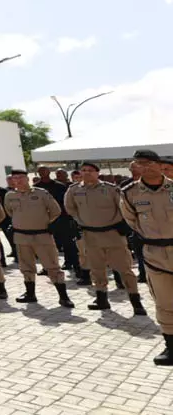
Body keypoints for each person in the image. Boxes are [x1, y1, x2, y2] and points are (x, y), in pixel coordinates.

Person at [65, 162, 145, 315]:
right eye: (83, 170)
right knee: (97, 270)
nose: (86, 173)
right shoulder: (74, 190)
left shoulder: (110, 189)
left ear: (97, 173)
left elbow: (123, 209)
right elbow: (70, 208)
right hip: (90, 236)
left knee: (124, 269)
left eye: (90, 170)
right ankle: (102, 300)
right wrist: (81, 221)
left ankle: (136, 302)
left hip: (112, 235)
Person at [120, 149, 173, 365]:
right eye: (141, 163)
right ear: (136, 166)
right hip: (155, 254)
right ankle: (171, 347)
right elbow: (132, 221)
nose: (147, 166)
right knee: (164, 302)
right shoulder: (130, 193)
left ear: (160, 165)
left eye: (151, 162)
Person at [4, 170, 74, 307]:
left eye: (21, 178)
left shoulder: (41, 193)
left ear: (27, 178)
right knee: (26, 266)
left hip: (42, 235)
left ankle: (63, 296)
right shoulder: (10, 195)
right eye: (15, 178)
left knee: (52, 265)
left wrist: (45, 222)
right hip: (21, 236)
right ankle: (30, 294)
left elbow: (56, 211)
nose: (18, 181)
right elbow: (10, 212)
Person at [36, 166, 79, 274]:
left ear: (49, 172)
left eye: (44, 171)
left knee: (67, 242)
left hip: (61, 218)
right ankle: (48, 266)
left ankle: (70, 263)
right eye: (40, 171)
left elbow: (66, 203)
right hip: (43, 220)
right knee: (45, 245)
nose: (42, 173)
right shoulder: (36, 188)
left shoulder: (59, 186)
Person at [122, 162, 147, 283]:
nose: (134, 171)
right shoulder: (126, 186)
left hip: (155, 225)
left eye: (137, 168)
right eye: (132, 169)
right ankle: (143, 274)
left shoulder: (152, 183)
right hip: (136, 225)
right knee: (139, 252)